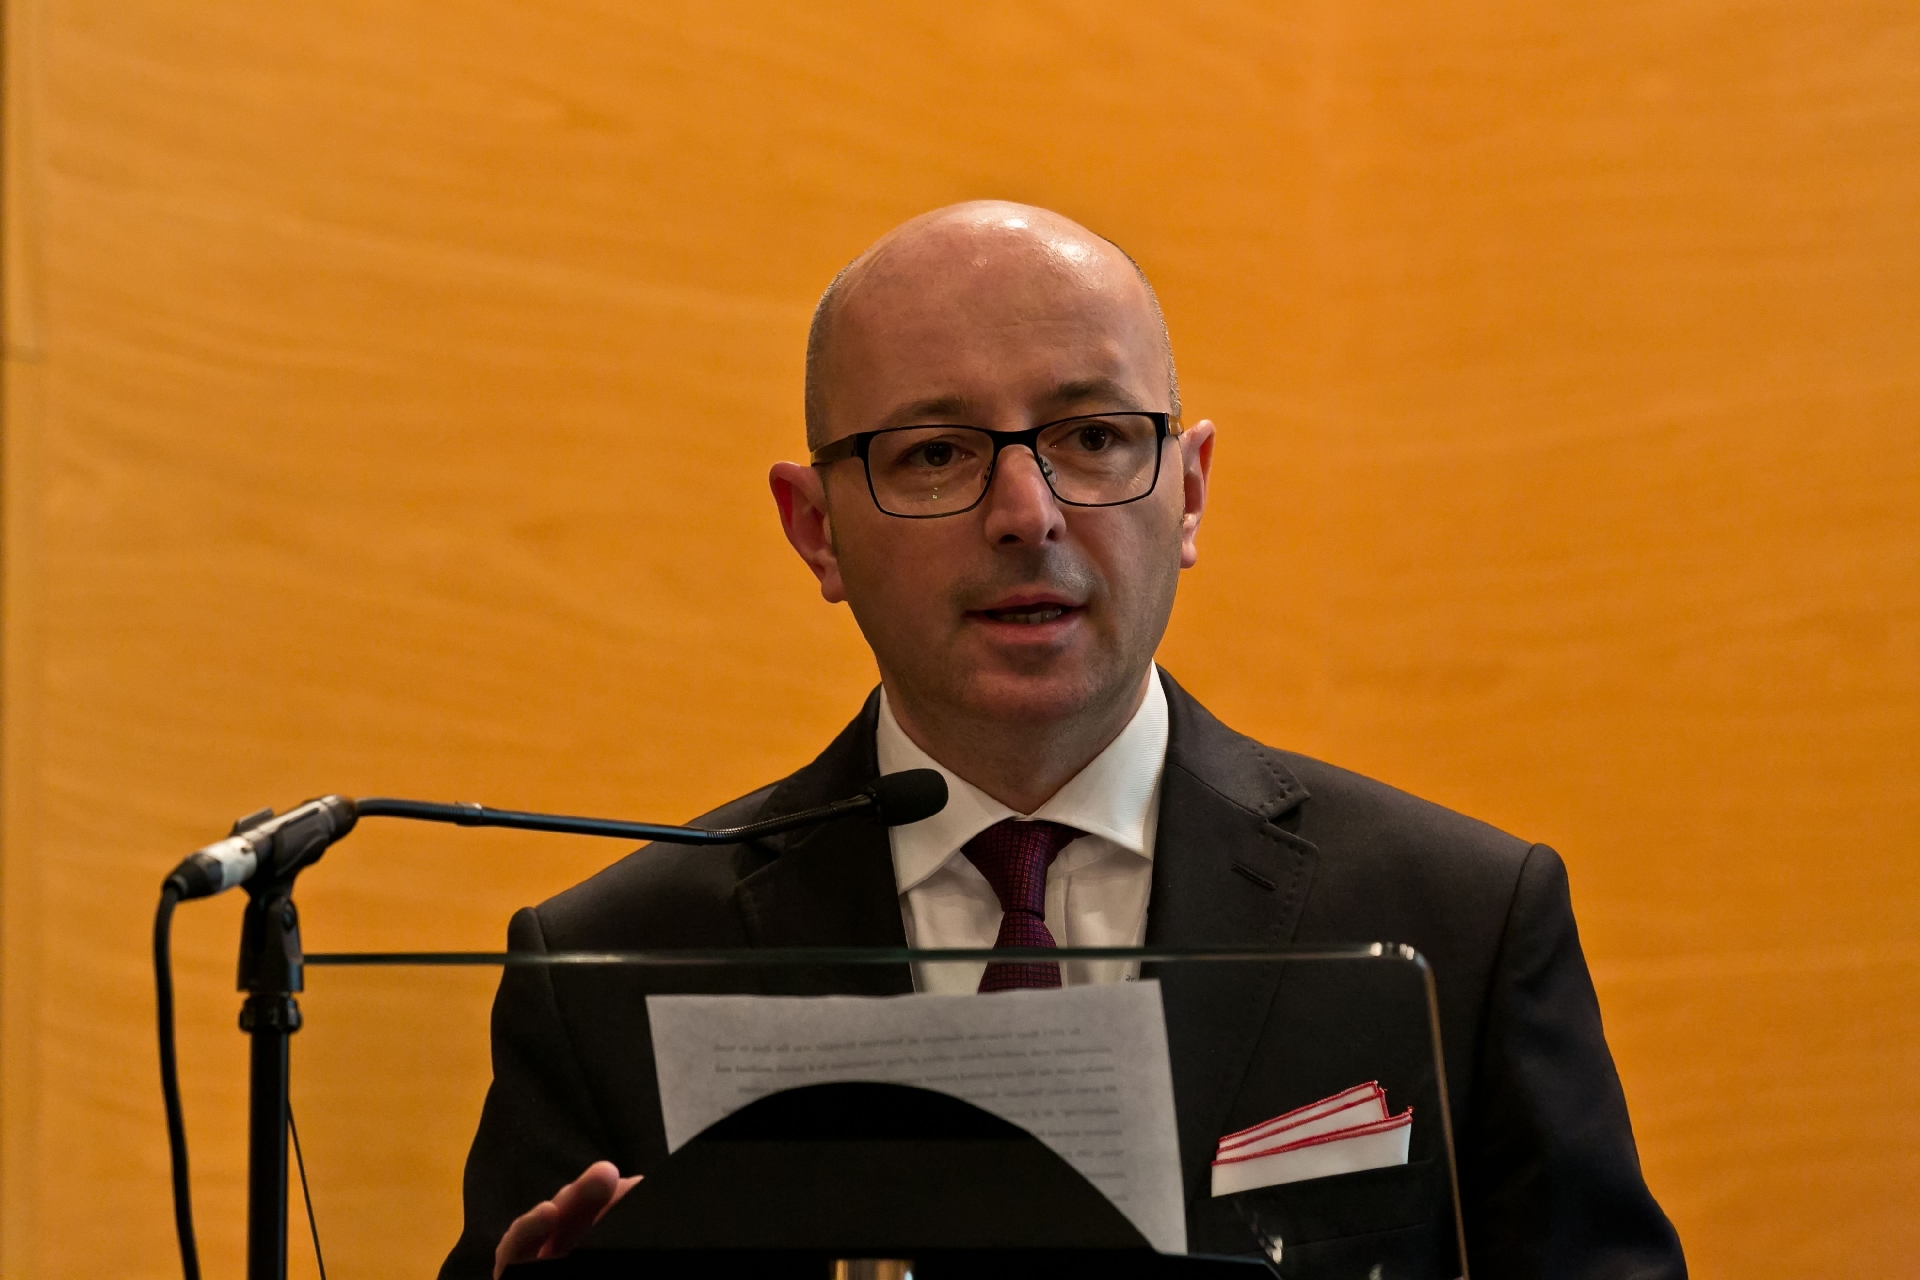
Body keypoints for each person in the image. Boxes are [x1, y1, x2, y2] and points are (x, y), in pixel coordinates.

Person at [440, 202, 1686, 1280]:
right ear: (815, 527)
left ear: (1189, 489)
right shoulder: (609, 966)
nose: (1026, 514)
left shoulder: (1457, 923)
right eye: (936, 454)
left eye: (1092, 438)